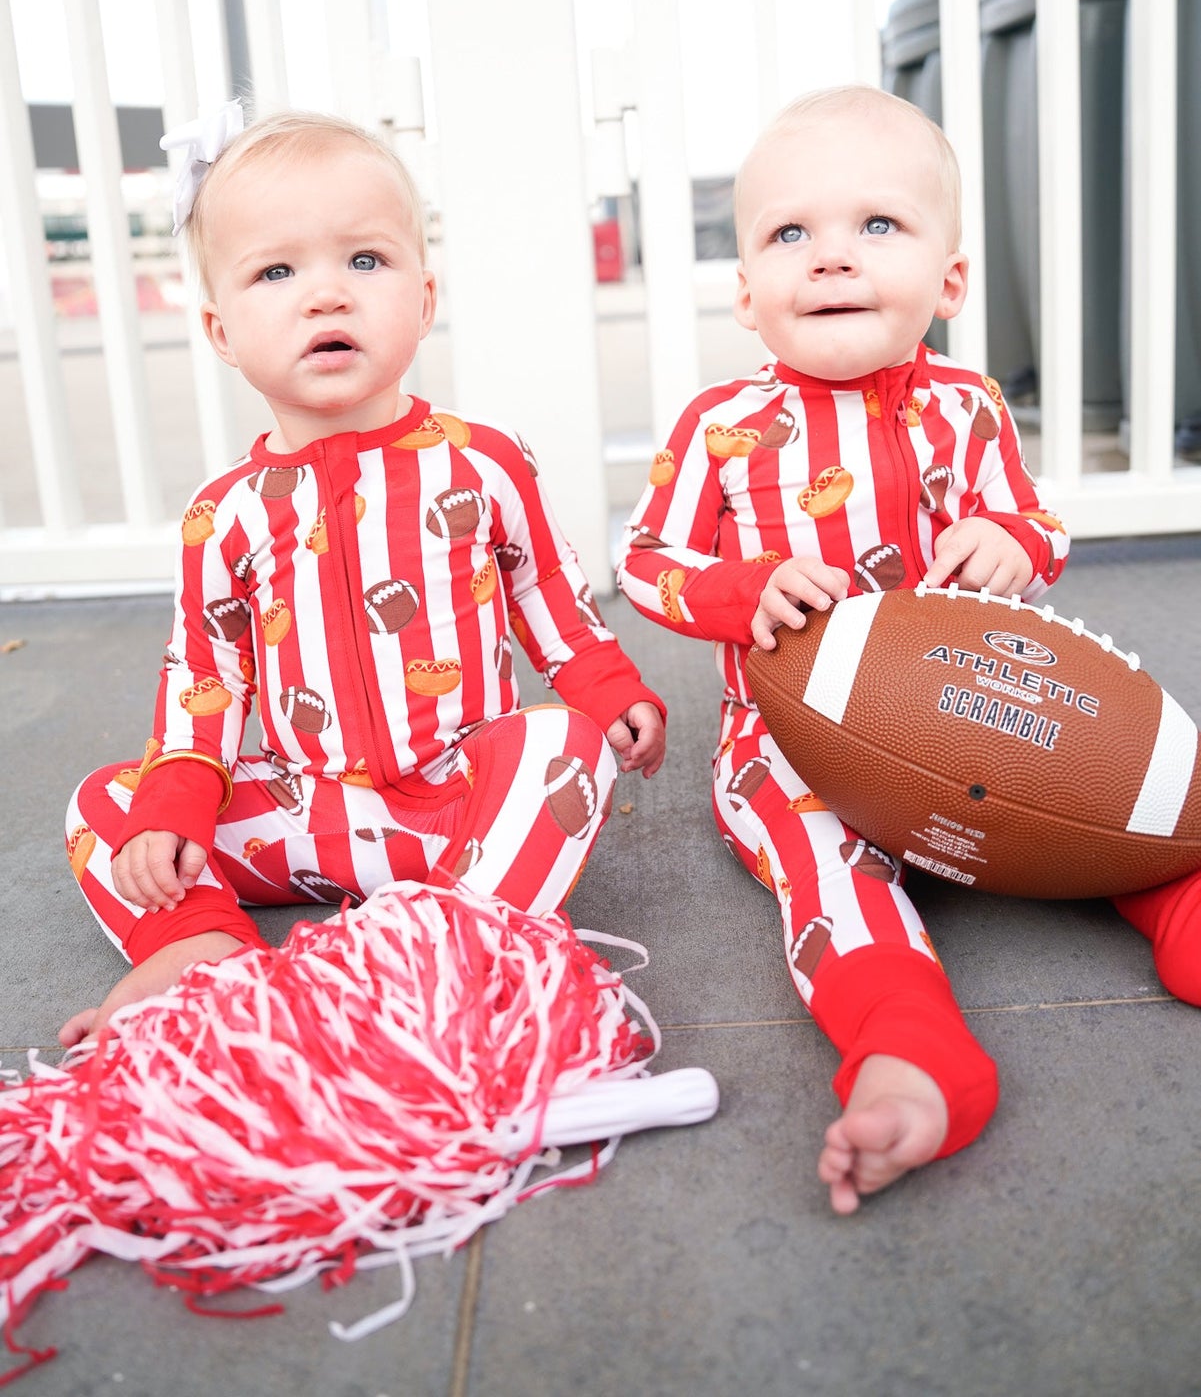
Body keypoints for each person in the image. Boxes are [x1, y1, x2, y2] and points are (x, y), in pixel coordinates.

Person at [62, 106, 665, 1046]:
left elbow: (544, 587)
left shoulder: (481, 461)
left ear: (422, 300)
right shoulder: (225, 514)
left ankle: (454, 942)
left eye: (365, 260)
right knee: (107, 804)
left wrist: (603, 685)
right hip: (313, 814)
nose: (326, 296)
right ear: (221, 331)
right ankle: (200, 947)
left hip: (466, 796)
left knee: (563, 746)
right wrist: (174, 803)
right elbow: (205, 674)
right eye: (276, 272)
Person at [616, 83, 1065, 1214]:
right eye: (789, 234)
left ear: (949, 281)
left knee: (1094, 786)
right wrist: (740, 587)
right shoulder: (722, 428)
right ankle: (909, 1050)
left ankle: (1177, 903)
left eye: (876, 224)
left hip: (967, 704)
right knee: (829, 867)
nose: (830, 257)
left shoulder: (967, 408)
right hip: (789, 734)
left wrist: (1012, 542)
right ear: (746, 295)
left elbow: (1036, 521)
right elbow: (643, 560)